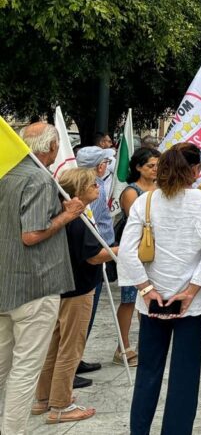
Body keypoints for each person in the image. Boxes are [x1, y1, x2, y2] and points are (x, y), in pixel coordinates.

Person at [118, 143, 201, 435]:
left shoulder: (145, 201)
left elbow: (126, 251)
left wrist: (145, 288)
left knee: (148, 373)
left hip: (152, 297)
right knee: (185, 377)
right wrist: (190, 292)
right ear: (194, 170)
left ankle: (139, 430)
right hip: (191, 301)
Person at [0, 123, 82, 435]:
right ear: (50, 148)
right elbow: (31, 234)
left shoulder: (5, 174)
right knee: (24, 370)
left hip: (6, 282)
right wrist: (67, 215)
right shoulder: (37, 178)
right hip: (34, 285)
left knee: (2, 367)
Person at [33, 168, 119, 424]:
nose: (97, 187)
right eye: (92, 183)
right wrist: (123, 249)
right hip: (78, 289)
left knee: (54, 346)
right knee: (70, 347)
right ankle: (60, 405)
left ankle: (43, 399)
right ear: (79, 189)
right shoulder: (76, 218)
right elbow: (93, 255)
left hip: (59, 287)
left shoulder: (61, 212)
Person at [114, 147, 161, 367]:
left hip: (155, 251)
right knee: (129, 300)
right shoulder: (131, 192)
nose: (155, 170)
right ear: (138, 168)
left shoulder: (160, 188)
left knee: (148, 298)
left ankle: (148, 344)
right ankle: (123, 347)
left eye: (158, 165)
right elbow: (137, 222)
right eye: (151, 166)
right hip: (136, 250)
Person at [74, 146, 116, 361]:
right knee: (84, 315)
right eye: (106, 163)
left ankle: (76, 359)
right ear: (100, 166)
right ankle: (74, 363)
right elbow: (96, 222)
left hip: (93, 250)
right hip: (97, 252)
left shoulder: (79, 184)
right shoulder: (93, 188)